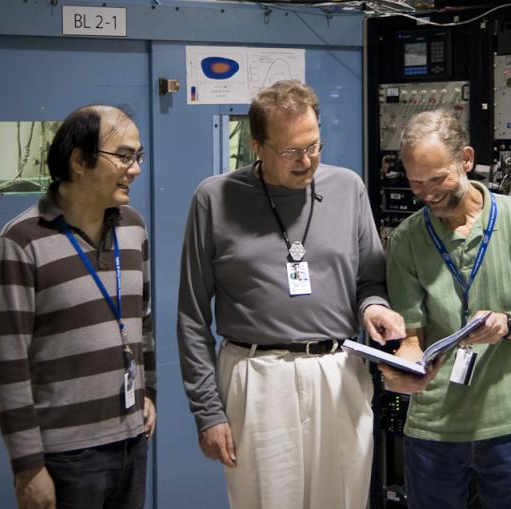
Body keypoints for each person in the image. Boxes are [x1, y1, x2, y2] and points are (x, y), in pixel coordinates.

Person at [177, 80, 405, 509]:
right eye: (291, 152)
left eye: (314, 146)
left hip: (337, 371)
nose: (306, 161)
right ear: (257, 146)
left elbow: (370, 281)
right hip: (257, 374)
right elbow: (191, 315)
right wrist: (207, 410)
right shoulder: (214, 198)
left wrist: (375, 307)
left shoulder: (347, 188)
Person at [382, 109, 511, 509]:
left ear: (466, 159)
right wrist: (403, 369)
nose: (428, 194)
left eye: (437, 179)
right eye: (416, 183)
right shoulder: (407, 239)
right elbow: (413, 337)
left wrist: (508, 323)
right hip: (434, 430)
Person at [0, 104, 156, 509]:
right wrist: (27, 467)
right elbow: (5, 364)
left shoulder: (133, 226)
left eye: (138, 157)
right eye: (125, 156)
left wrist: (149, 394)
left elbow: (144, 319)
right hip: (66, 454)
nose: (136, 169)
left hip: (132, 439)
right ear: (80, 160)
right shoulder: (21, 242)